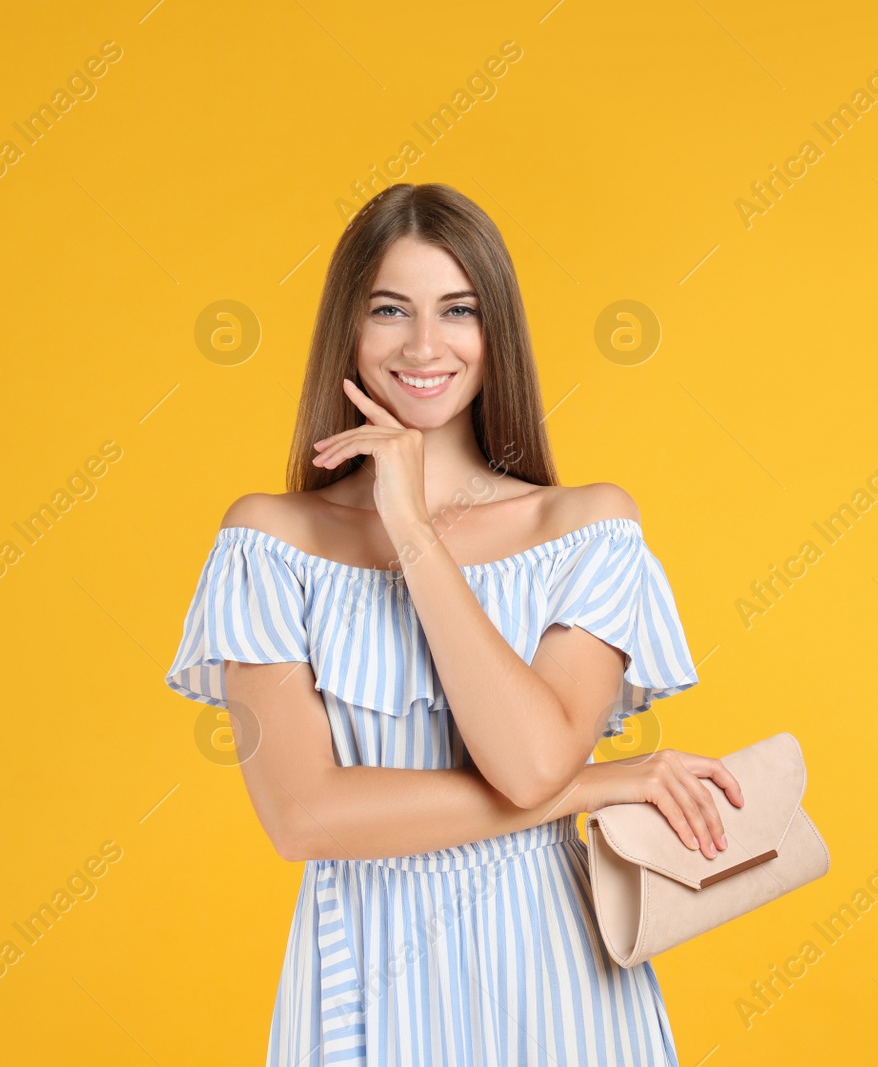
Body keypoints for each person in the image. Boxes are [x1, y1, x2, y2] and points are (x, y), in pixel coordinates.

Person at [165, 182, 745, 1066]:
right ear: (348, 335)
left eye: (458, 310)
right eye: (390, 308)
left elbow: (530, 763)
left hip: (559, 987)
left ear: (493, 334)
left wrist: (411, 529)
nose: (425, 345)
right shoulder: (269, 545)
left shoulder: (583, 532)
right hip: (359, 978)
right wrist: (599, 787)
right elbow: (304, 816)